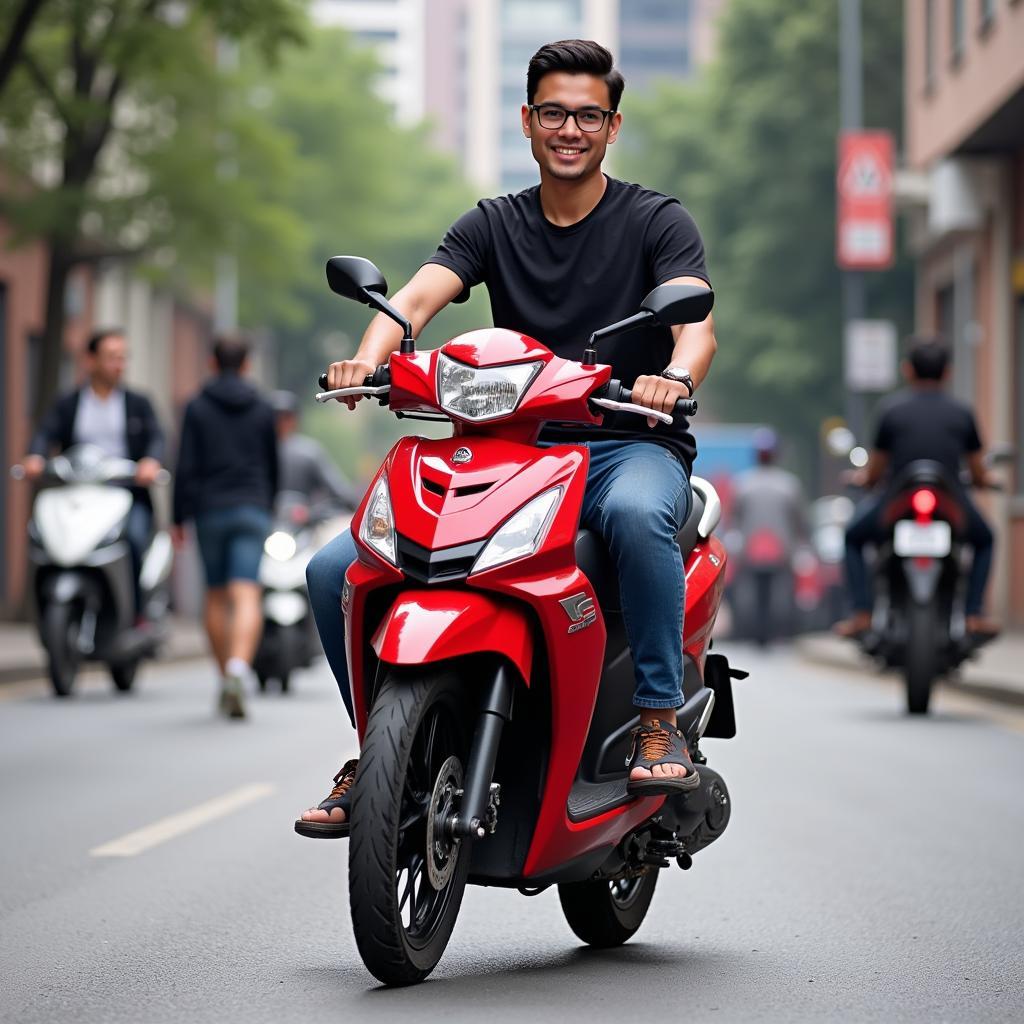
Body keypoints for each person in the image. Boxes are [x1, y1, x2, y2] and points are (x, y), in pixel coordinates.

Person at [297, 39, 717, 837]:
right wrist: (366, 359)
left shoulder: (656, 219)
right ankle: (377, 750)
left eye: (588, 115)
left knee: (634, 518)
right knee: (331, 571)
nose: (570, 129)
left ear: (613, 125)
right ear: (526, 120)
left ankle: (658, 713)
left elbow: (696, 325)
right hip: (508, 449)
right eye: (554, 112)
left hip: (622, 443)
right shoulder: (494, 221)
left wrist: (675, 379)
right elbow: (417, 298)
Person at [835, 337, 1000, 639]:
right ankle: (974, 613)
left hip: (896, 502)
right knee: (986, 539)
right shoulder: (962, 412)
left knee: (852, 537)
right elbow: (977, 470)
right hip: (952, 503)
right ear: (947, 372)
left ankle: (861, 613)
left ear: (908, 370)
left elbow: (875, 470)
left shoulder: (891, 410)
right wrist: (985, 481)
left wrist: (863, 479)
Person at [172, 336, 279, 719]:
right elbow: (272, 463)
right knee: (247, 592)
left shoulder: (197, 407)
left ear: (212, 364)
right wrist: (270, 504)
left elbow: (184, 464)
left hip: (210, 508)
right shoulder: (263, 407)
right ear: (247, 365)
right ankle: (238, 669)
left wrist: (177, 517)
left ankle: (224, 677)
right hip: (251, 506)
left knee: (216, 595)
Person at [25, 329, 165, 616]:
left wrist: (150, 461)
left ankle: (137, 614)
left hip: (125, 493)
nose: (119, 364)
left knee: (136, 539)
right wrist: (35, 457)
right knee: (45, 536)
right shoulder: (69, 402)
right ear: (90, 361)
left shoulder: (138, 404)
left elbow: (157, 438)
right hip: (78, 494)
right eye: (112, 357)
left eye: (123, 358)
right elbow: (45, 433)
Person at [731, 428, 808, 641]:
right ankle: (778, 633)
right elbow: (799, 519)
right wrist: (802, 542)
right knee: (782, 593)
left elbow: (735, 518)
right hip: (781, 550)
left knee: (748, 592)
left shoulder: (742, 483)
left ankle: (754, 632)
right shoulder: (789, 485)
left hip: (750, 549)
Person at [269, 391, 361, 511]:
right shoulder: (309, 451)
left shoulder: (309, 452)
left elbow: (340, 491)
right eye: (277, 417)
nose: (281, 422)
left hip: (294, 518)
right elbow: (342, 493)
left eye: (285, 417)